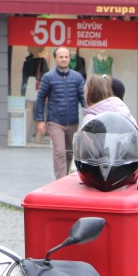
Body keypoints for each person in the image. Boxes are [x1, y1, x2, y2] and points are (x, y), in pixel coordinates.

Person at [34, 46, 86, 180]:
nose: (64, 59)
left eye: (66, 57)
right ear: (56, 58)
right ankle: (60, 181)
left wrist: (90, 117)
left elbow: (83, 99)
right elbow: (40, 99)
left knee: (69, 153)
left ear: (70, 58)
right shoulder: (48, 77)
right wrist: (40, 120)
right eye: (61, 57)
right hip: (55, 122)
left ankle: (64, 177)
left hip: (73, 122)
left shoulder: (78, 77)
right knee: (60, 153)